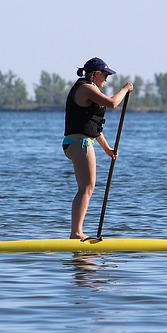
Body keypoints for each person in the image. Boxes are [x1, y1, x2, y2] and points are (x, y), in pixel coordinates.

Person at [63, 57, 133, 239]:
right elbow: (112, 103)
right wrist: (125, 89)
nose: (107, 79)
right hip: (80, 143)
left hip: (79, 141)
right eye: (105, 75)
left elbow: (92, 128)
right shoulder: (85, 88)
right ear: (95, 74)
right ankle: (76, 233)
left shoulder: (89, 90)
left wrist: (108, 149)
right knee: (86, 187)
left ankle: (76, 232)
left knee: (87, 187)